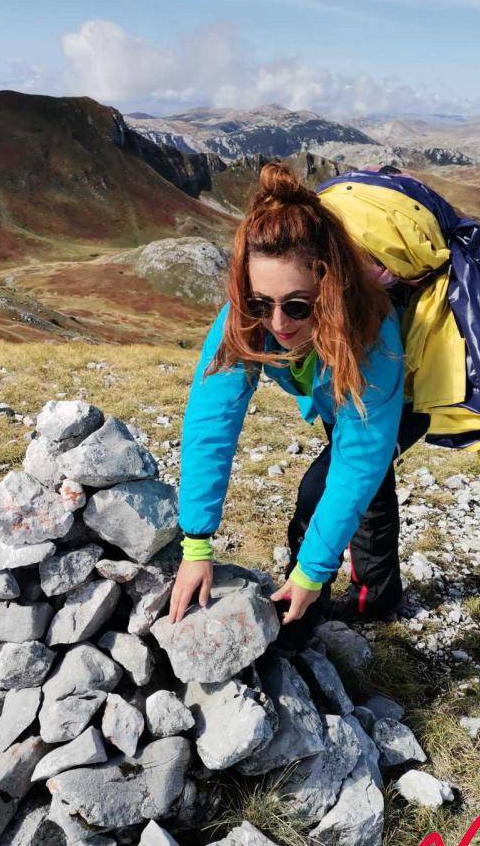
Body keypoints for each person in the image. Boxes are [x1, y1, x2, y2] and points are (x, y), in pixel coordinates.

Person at [168, 161, 430, 646]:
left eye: (297, 306)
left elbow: (359, 459)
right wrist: (196, 543)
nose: (277, 323)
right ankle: (379, 596)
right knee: (365, 485)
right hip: (337, 396)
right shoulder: (242, 317)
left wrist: (312, 569)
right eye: (260, 303)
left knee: (324, 489)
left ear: (329, 288)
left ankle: (300, 614)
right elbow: (212, 421)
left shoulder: (373, 333)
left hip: (409, 397)